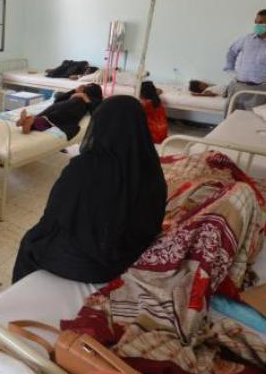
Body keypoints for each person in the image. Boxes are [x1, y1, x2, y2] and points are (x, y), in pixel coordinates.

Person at [12, 96, 167, 283]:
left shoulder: (83, 168)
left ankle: (18, 303)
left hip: (94, 265)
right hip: (132, 250)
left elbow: (54, 217)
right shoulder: (151, 164)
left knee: (31, 242)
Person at [16, 84, 103, 140]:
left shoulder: (95, 100)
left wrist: (85, 98)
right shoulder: (77, 95)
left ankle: (28, 122)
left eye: (88, 86)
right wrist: (74, 91)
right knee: (49, 116)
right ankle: (29, 122)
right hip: (64, 106)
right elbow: (57, 100)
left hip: (69, 107)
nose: (84, 87)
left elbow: (95, 111)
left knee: (50, 116)